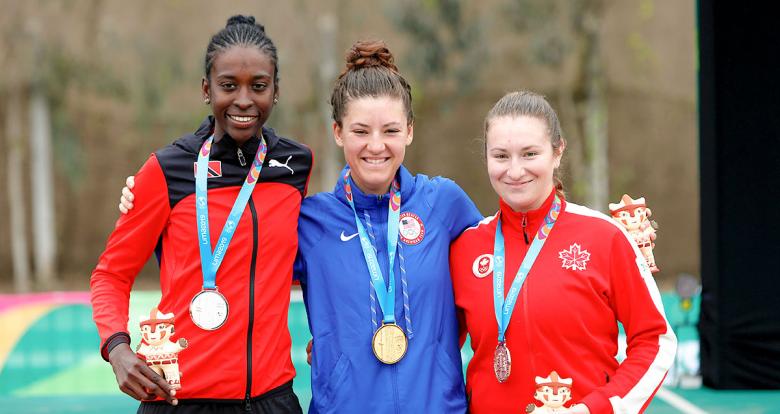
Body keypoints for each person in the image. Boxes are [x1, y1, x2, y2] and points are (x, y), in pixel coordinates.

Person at [122, 40, 483, 413]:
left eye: (390, 131)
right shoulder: (311, 220)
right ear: (338, 133)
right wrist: (152, 208)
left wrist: (440, 344)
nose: (376, 146)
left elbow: (497, 266)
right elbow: (241, 273)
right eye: (361, 131)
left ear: (409, 131)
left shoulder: (443, 203)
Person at [91, 15, 312, 413]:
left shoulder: (295, 164)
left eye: (258, 86)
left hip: (273, 400)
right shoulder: (167, 169)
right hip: (181, 401)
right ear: (206, 90)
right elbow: (111, 273)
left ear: (275, 91)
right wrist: (117, 348)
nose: (244, 100)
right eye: (229, 86)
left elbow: (300, 260)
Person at [449, 91, 676, 414]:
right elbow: (435, 354)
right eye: (501, 156)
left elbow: (655, 341)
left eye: (529, 154)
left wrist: (595, 409)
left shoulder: (605, 237)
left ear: (557, 152)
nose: (514, 171)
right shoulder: (465, 248)